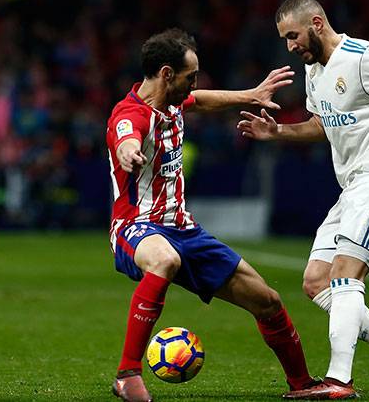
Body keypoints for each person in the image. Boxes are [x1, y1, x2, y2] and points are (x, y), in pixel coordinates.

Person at [238, 0, 369, 399]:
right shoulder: (314, 71)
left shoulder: (364, 57)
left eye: (293, 36)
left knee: (346, 272)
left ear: (316, 23)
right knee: (316, 282)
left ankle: (338, 381)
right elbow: (321, 126)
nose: (290, 46)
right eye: (284, 39)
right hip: (354, 186)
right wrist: (278, 133)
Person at [107, 28, 317, 402]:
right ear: (167, 74)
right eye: (191, 76)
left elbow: (200, 100)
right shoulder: (130, 115)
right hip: (135, 228)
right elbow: (127, 136)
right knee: (164, 260)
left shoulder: (172, 103)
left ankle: (302, 385)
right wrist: (128, 151)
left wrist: (249, 95)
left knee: (267, 300)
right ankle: (127, 373)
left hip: (184, 230)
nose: (195, 84)